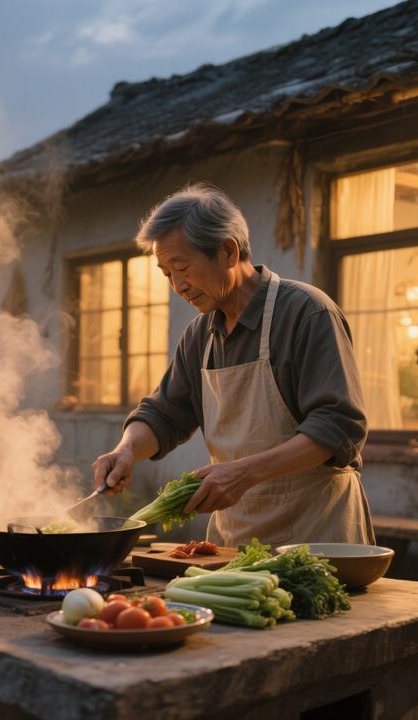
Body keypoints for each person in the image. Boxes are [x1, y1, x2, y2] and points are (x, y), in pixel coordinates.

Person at [91, 184, 374, 547]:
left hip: (317, 534)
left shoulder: (306, 312)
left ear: (227, 251)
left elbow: (338, 428)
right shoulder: (200, 335)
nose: (177, 286)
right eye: (166, 274)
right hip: (233, 543)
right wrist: (126, 449)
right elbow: (164, 414)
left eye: (182, 268)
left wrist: (243, 473)